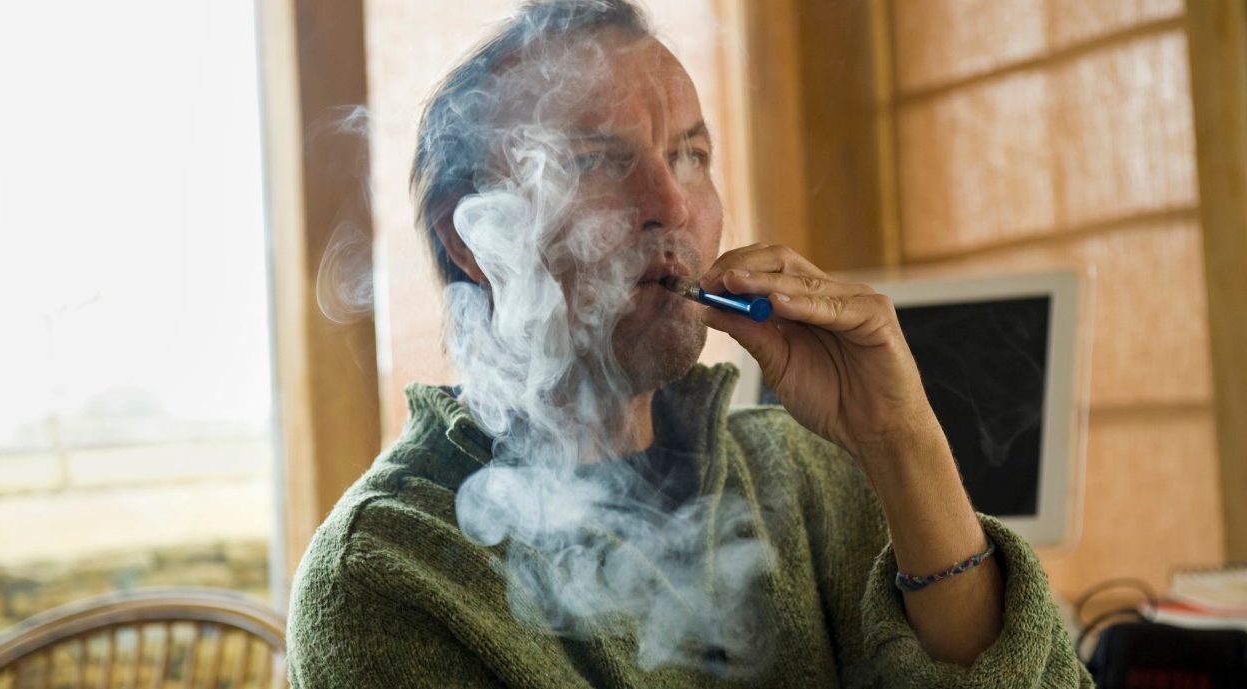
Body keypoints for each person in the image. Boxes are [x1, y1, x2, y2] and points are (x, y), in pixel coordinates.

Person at [287, 1, 1092, 687]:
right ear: (469, 240)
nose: (671, 202)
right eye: (597, 162)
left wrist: (899, 438)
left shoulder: (807, 472)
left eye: (691, 155)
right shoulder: (386, 570)